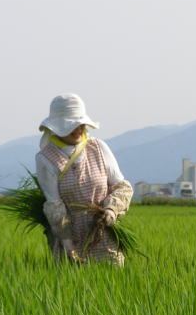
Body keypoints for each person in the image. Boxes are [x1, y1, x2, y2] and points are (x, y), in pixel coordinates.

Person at [36, 93, 133, 266]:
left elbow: (121, 187)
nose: (78, 129)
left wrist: (111, 210)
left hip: (103, 231)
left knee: (112, 285)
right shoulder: (46, 158)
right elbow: (54, 205)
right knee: (73, 286)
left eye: (80, 124)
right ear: (57, 128)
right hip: (72, 236)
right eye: (71, 126)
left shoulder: (98, 148)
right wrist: (67, 244)